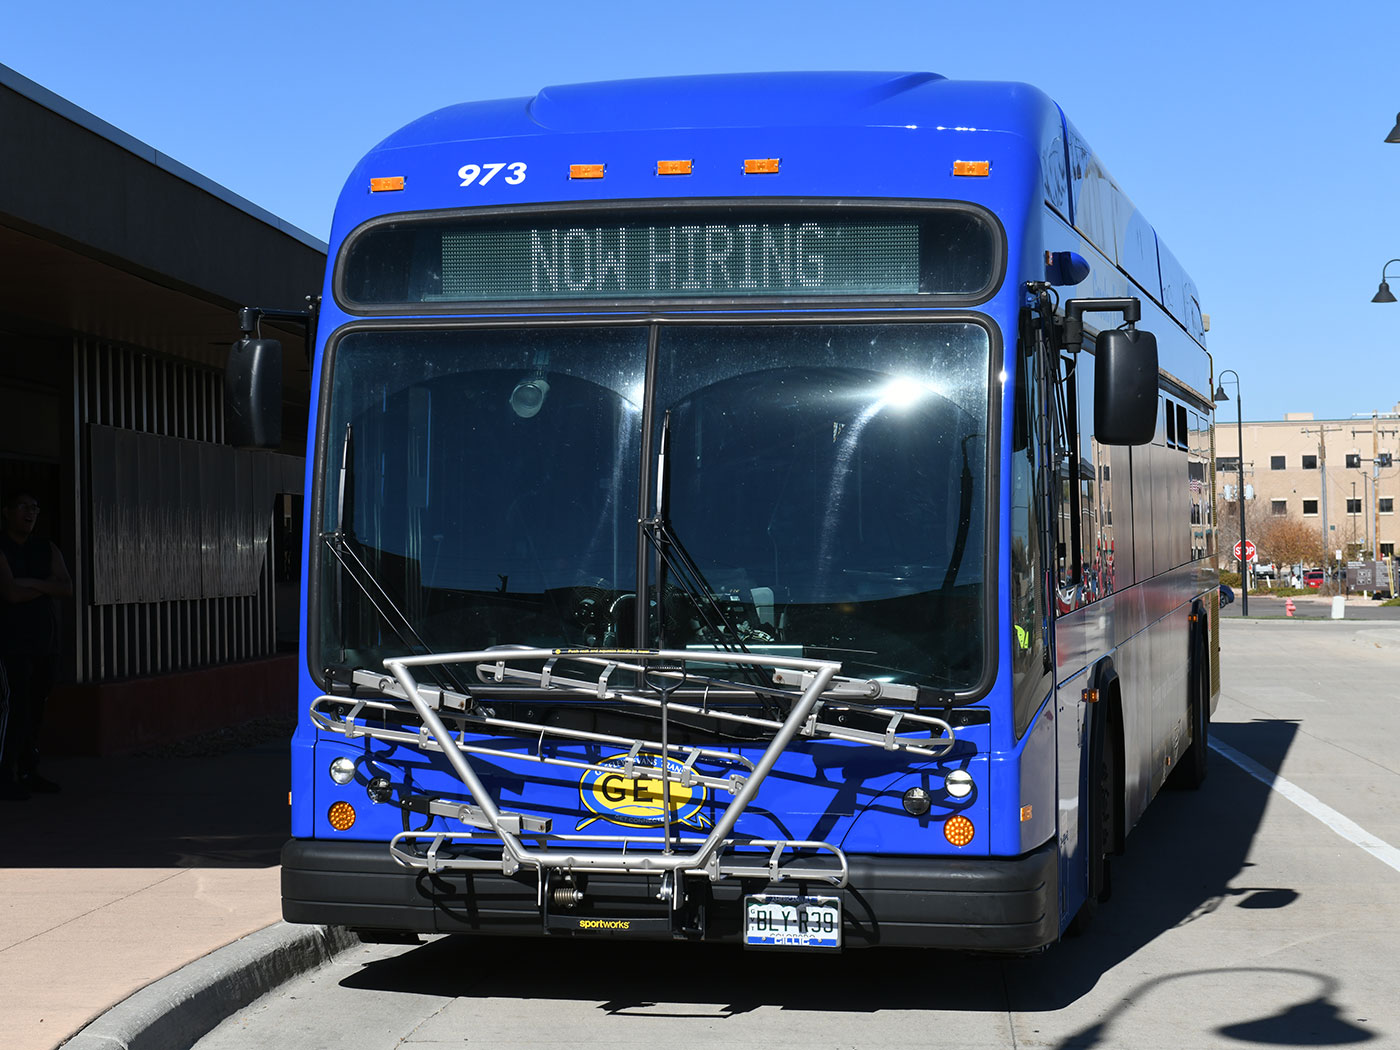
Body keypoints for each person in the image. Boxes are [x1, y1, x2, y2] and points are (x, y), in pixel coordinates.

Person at [0, 491, 71, 800]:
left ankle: (29, 770)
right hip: (10, 644)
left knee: (35, 709)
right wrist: (46, 587)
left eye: (35, 507)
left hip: (44, 642)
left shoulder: (47, 548)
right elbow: (10, 594)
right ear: (6, 511)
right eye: (23, 506)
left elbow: (66, 587)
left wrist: (30, 583)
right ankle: (4, 775)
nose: (30, 513)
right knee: (13, 708)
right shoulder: (1, 547)